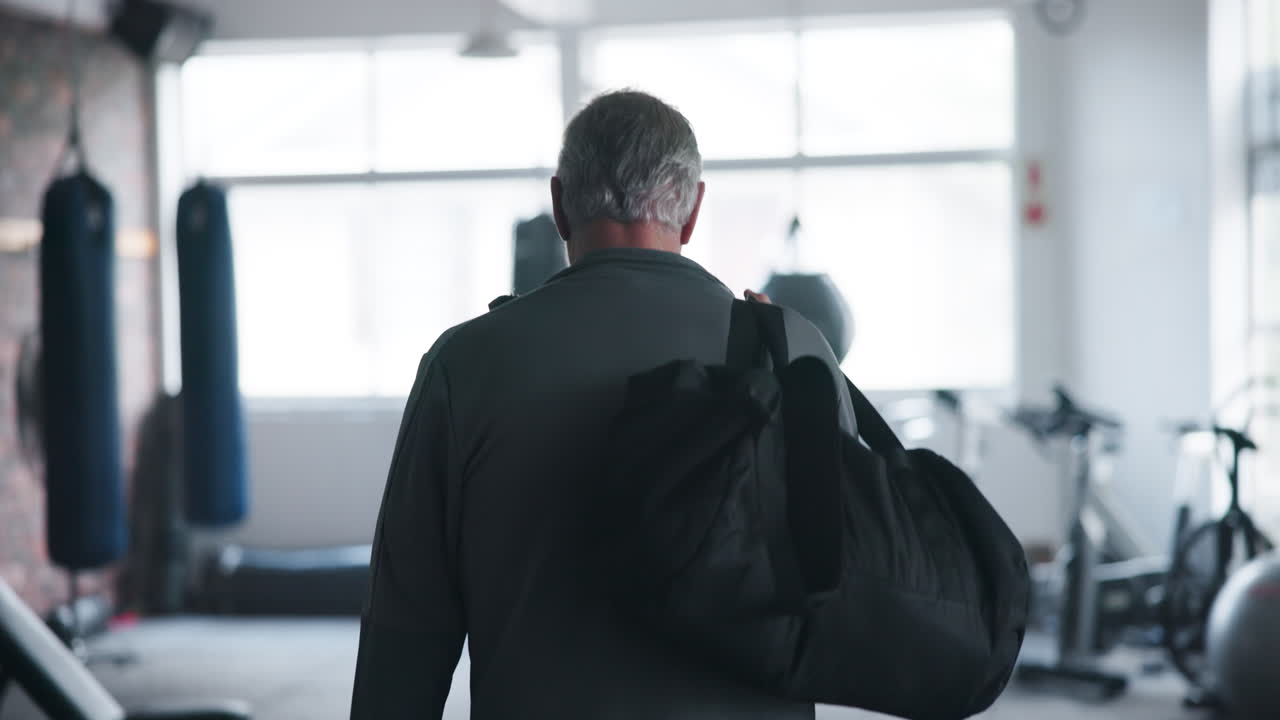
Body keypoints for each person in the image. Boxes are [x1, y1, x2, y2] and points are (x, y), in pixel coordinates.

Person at [350, 90, 854, 720]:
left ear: (560, 207)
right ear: (693, 212)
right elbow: (849, 585)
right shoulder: (792, 349)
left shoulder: (465, 363)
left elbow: (408, 621)